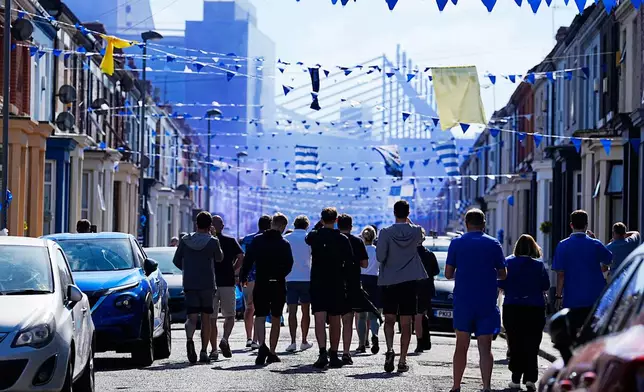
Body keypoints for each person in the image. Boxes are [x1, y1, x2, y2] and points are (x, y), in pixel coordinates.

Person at [445, 208, 507, 392]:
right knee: (485, 346)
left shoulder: (457, 243)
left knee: (461, 345)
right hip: (486, 301)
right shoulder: (494, 244)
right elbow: (503, 274)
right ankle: (486, 386)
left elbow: (448, 274)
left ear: (466, 223)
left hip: (464, 300)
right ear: (484, 223)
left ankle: (456, 386)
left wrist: (464, 273)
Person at [376, 200, 428, 373]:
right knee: (406, 323)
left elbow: (380, 257)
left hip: (390, 281)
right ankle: (403, 359)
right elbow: (423, 238)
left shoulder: (385, 232)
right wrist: (409, 222)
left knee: (389, 319)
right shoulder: (415, 231)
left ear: (393, 212)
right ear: (408, 213)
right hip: (409, 281)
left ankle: (390, 349)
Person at [241, 213, 293, 365]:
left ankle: (261, 345)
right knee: (276, 317)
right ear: (282, 227)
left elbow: (248, 259)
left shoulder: (258, 240)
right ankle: (272, 351)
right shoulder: (284, 244)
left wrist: (244, 277)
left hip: (261, 281)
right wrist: (279, 275)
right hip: (277, 283)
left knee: (260, 315)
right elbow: (289, 264)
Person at [499, 235, 550, 392]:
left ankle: (515, 379)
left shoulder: (508, 262)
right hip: (534, 308)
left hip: (513, 307)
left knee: (515, 343)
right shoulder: (539, 266)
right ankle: (530, 379)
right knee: (532, 344)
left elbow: (501, 283)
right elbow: (546, 285)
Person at [172, 211, 224, 364]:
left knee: (191, 316)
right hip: (207, 284)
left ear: (196, 224)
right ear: (210, 226)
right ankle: (203, 351)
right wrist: (215, 237)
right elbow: (220, 258)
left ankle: (189, 340)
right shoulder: (213, 241)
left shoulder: (185, 240)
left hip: (190, 283)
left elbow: (176, 260)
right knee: (206, 318)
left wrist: (188, 269)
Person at [306, 207, 354, 369]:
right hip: (337, 282)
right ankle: (333, 353)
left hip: (318, 281)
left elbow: (309, 236)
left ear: (322, 219)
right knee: (335, 320)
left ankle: (321, 353)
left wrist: (319, 224)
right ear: (336, 220)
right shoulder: (342, 239)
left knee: (319, 319)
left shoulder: (315, 236)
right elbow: (349, 263)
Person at [553, 210, 612, 334]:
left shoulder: (563, 245)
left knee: (573, 333)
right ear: (586, 225)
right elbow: (609, 260)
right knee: (593, 333)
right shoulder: (595, 244)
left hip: (572, 298)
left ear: (571, 225)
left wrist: (558, 296)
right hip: (595, 298)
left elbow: (561, 274)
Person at [209, 215, 244, 360]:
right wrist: (234, 269)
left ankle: (213, 350)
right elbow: (241, 256)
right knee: (230, 315)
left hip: (210, 282)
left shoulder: (207, 242)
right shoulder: (230, 241)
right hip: (227, 281)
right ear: (222, 227)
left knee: (211, 319)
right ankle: (225, 339)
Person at [337, 213, 369, 365]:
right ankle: (346, 352)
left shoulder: (334, 239)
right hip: (352, 283)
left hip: (334, 282)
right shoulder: (357, 241)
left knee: (334, 318)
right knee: (348, 319)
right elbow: (364, 264)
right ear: (351, 226)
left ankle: (332, 349)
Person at [240, 215, 272, 349]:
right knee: (261, 308)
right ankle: (256, 339)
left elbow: (242, 258)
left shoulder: (247, 239)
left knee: (249, 307)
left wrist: (241, 276)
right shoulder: (269, 239)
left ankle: (249, 337)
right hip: (264, 277)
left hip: (248, 277)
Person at [284, 215, 313, 353]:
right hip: (306, 277)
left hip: (290, 278)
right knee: (305, 311)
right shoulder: (309, 239)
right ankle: (304, 340)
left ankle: (292, 341)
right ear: (306, 225)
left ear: (294, 224)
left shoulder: (286, 238)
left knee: (292, 311)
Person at [357, 226, 381, 354]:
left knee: (361, 316)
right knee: (373, 315)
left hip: (361, 280)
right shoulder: (377, 251)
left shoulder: (360, 249)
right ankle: (375, 334)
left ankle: (361, 344)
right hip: (374, 281)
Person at [415, 228, 440, 354]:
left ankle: (420, 342)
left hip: (414, 288)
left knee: (417, 316)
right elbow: (436, 271)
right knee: (422, 314)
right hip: (426, 288)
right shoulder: (429, 254)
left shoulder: (410, 255)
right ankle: (425, 340)